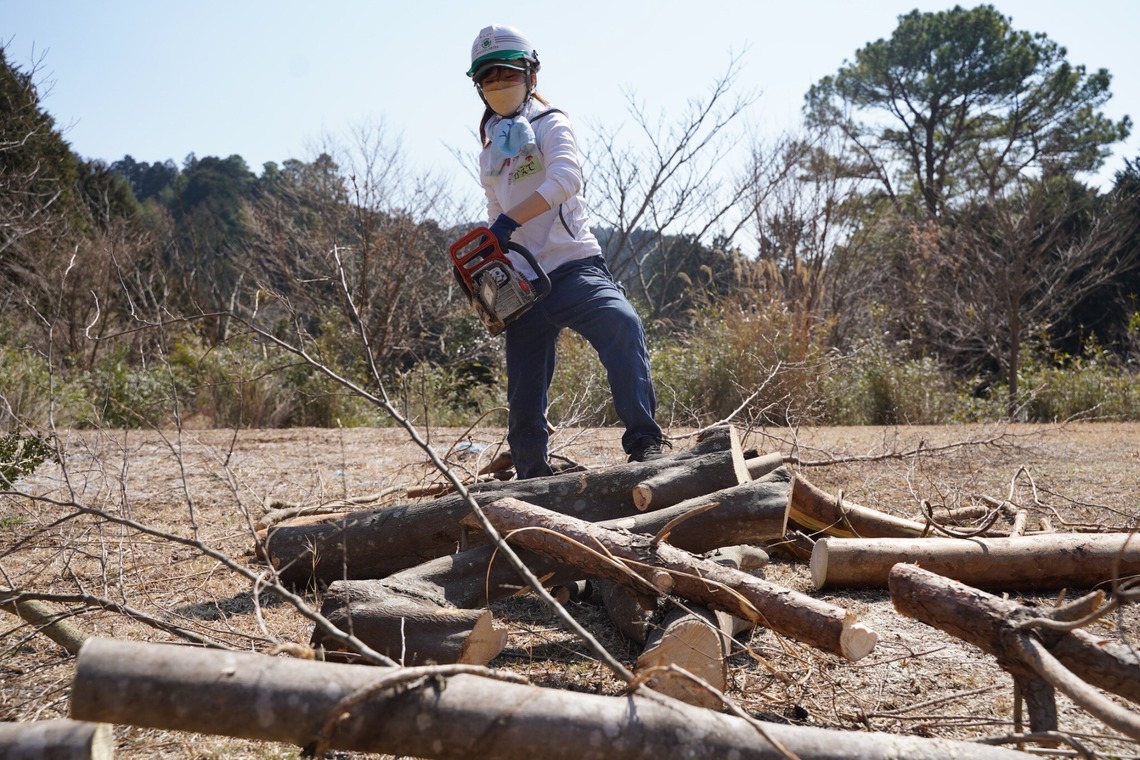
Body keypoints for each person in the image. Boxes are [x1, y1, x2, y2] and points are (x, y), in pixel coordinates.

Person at [465, 24, 667, 479]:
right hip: (523, 281)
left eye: (507, 74)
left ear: (530, 74)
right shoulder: (490, 149)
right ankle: (532, 472)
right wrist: (491, 258)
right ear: (479, 87)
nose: (498, 85)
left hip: (572, 266)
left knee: (622, 323)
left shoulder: (551, 122)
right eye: (489, 79)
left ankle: (645, 444)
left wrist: (510, 221)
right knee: (524, 382)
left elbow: (565, 180)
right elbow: (496, 208)